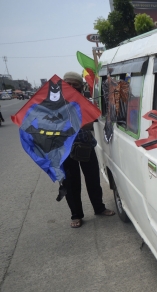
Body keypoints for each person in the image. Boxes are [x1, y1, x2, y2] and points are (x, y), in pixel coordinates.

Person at [62, 71, 115, 228]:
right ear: (63, 85)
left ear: (80, 86)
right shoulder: (54, 103)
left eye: (75, 84)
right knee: (71, 184)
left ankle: (99, 208)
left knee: (93, 179)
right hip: (65, 151)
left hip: (86, 145)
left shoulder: (86, 102)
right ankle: (76, 215)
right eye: (68, 84)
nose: (72, 87)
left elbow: (92, 123)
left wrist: (79, 121)